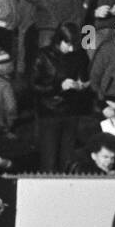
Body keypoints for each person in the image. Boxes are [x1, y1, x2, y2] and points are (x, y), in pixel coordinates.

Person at [31, 23, 91, 173]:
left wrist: (81, 85)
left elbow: (86, 78)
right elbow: (33, 85)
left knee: (68, 161)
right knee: (49, 160)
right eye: (68, 44)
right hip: (50, 112)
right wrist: (58, 86)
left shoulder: (79, 55)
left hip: (71, 111)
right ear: (59, 40)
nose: (71, 49)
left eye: (74, 45)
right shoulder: (43, 55)